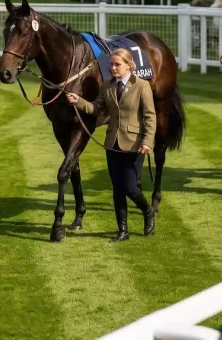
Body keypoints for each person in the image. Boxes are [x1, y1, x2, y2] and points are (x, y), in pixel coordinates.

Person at [66, 49, 156, 242]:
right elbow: (96, 108)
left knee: (131, 187)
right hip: (112, 143)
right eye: (112, 65)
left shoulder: (141, 86)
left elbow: (150, 116)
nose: (113, 68)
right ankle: (122, 231)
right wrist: (79, 101)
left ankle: (147, 211)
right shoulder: (108, 86)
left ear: (128, 65)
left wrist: (148, 142)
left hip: (135, 144)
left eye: (117, 64)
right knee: (117, 188)